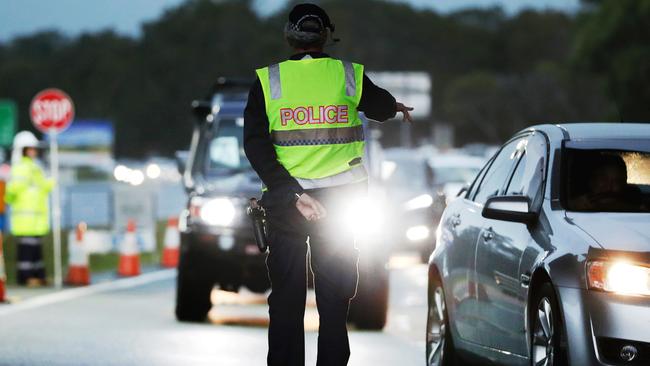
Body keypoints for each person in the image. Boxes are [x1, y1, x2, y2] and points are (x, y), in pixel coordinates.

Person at [243, 3, 413, 365]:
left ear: (289, 36)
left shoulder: (268, 81)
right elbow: (381, 107)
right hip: (341, 206)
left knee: (287, 300)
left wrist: (292, 192)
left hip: (289, 203)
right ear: (326, 36)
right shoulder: (347, 75)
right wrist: (394, 106)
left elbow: (255, 145)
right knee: (334, 301)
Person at [4, 131, 54, 286]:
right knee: (27, 250)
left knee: (36, 250)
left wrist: (53, 180)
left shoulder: (34, 167)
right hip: (25, 218)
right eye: (29, 148)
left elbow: (43, 187)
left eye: (34, 148)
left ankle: (38, 276)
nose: (33, 151)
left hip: (36, 218)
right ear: (22, 150)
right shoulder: (21, 168)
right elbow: (12, 190)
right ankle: (25, 277)